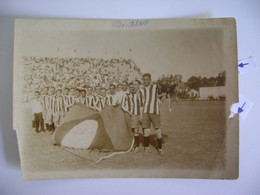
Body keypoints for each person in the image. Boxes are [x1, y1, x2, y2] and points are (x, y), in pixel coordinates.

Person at [140, 73, 164, 156]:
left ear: (150, 80)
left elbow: (163, 93)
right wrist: (141, 114)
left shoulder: (155, 87)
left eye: (147, 79)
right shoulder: (141, 90)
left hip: (154, 111)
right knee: (146, 130)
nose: (145, 81)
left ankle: (160, 148)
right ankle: (146, 147)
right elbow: (141, 103)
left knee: (157, 129)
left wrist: (160, 101)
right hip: (145, 112)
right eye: (144, 79)